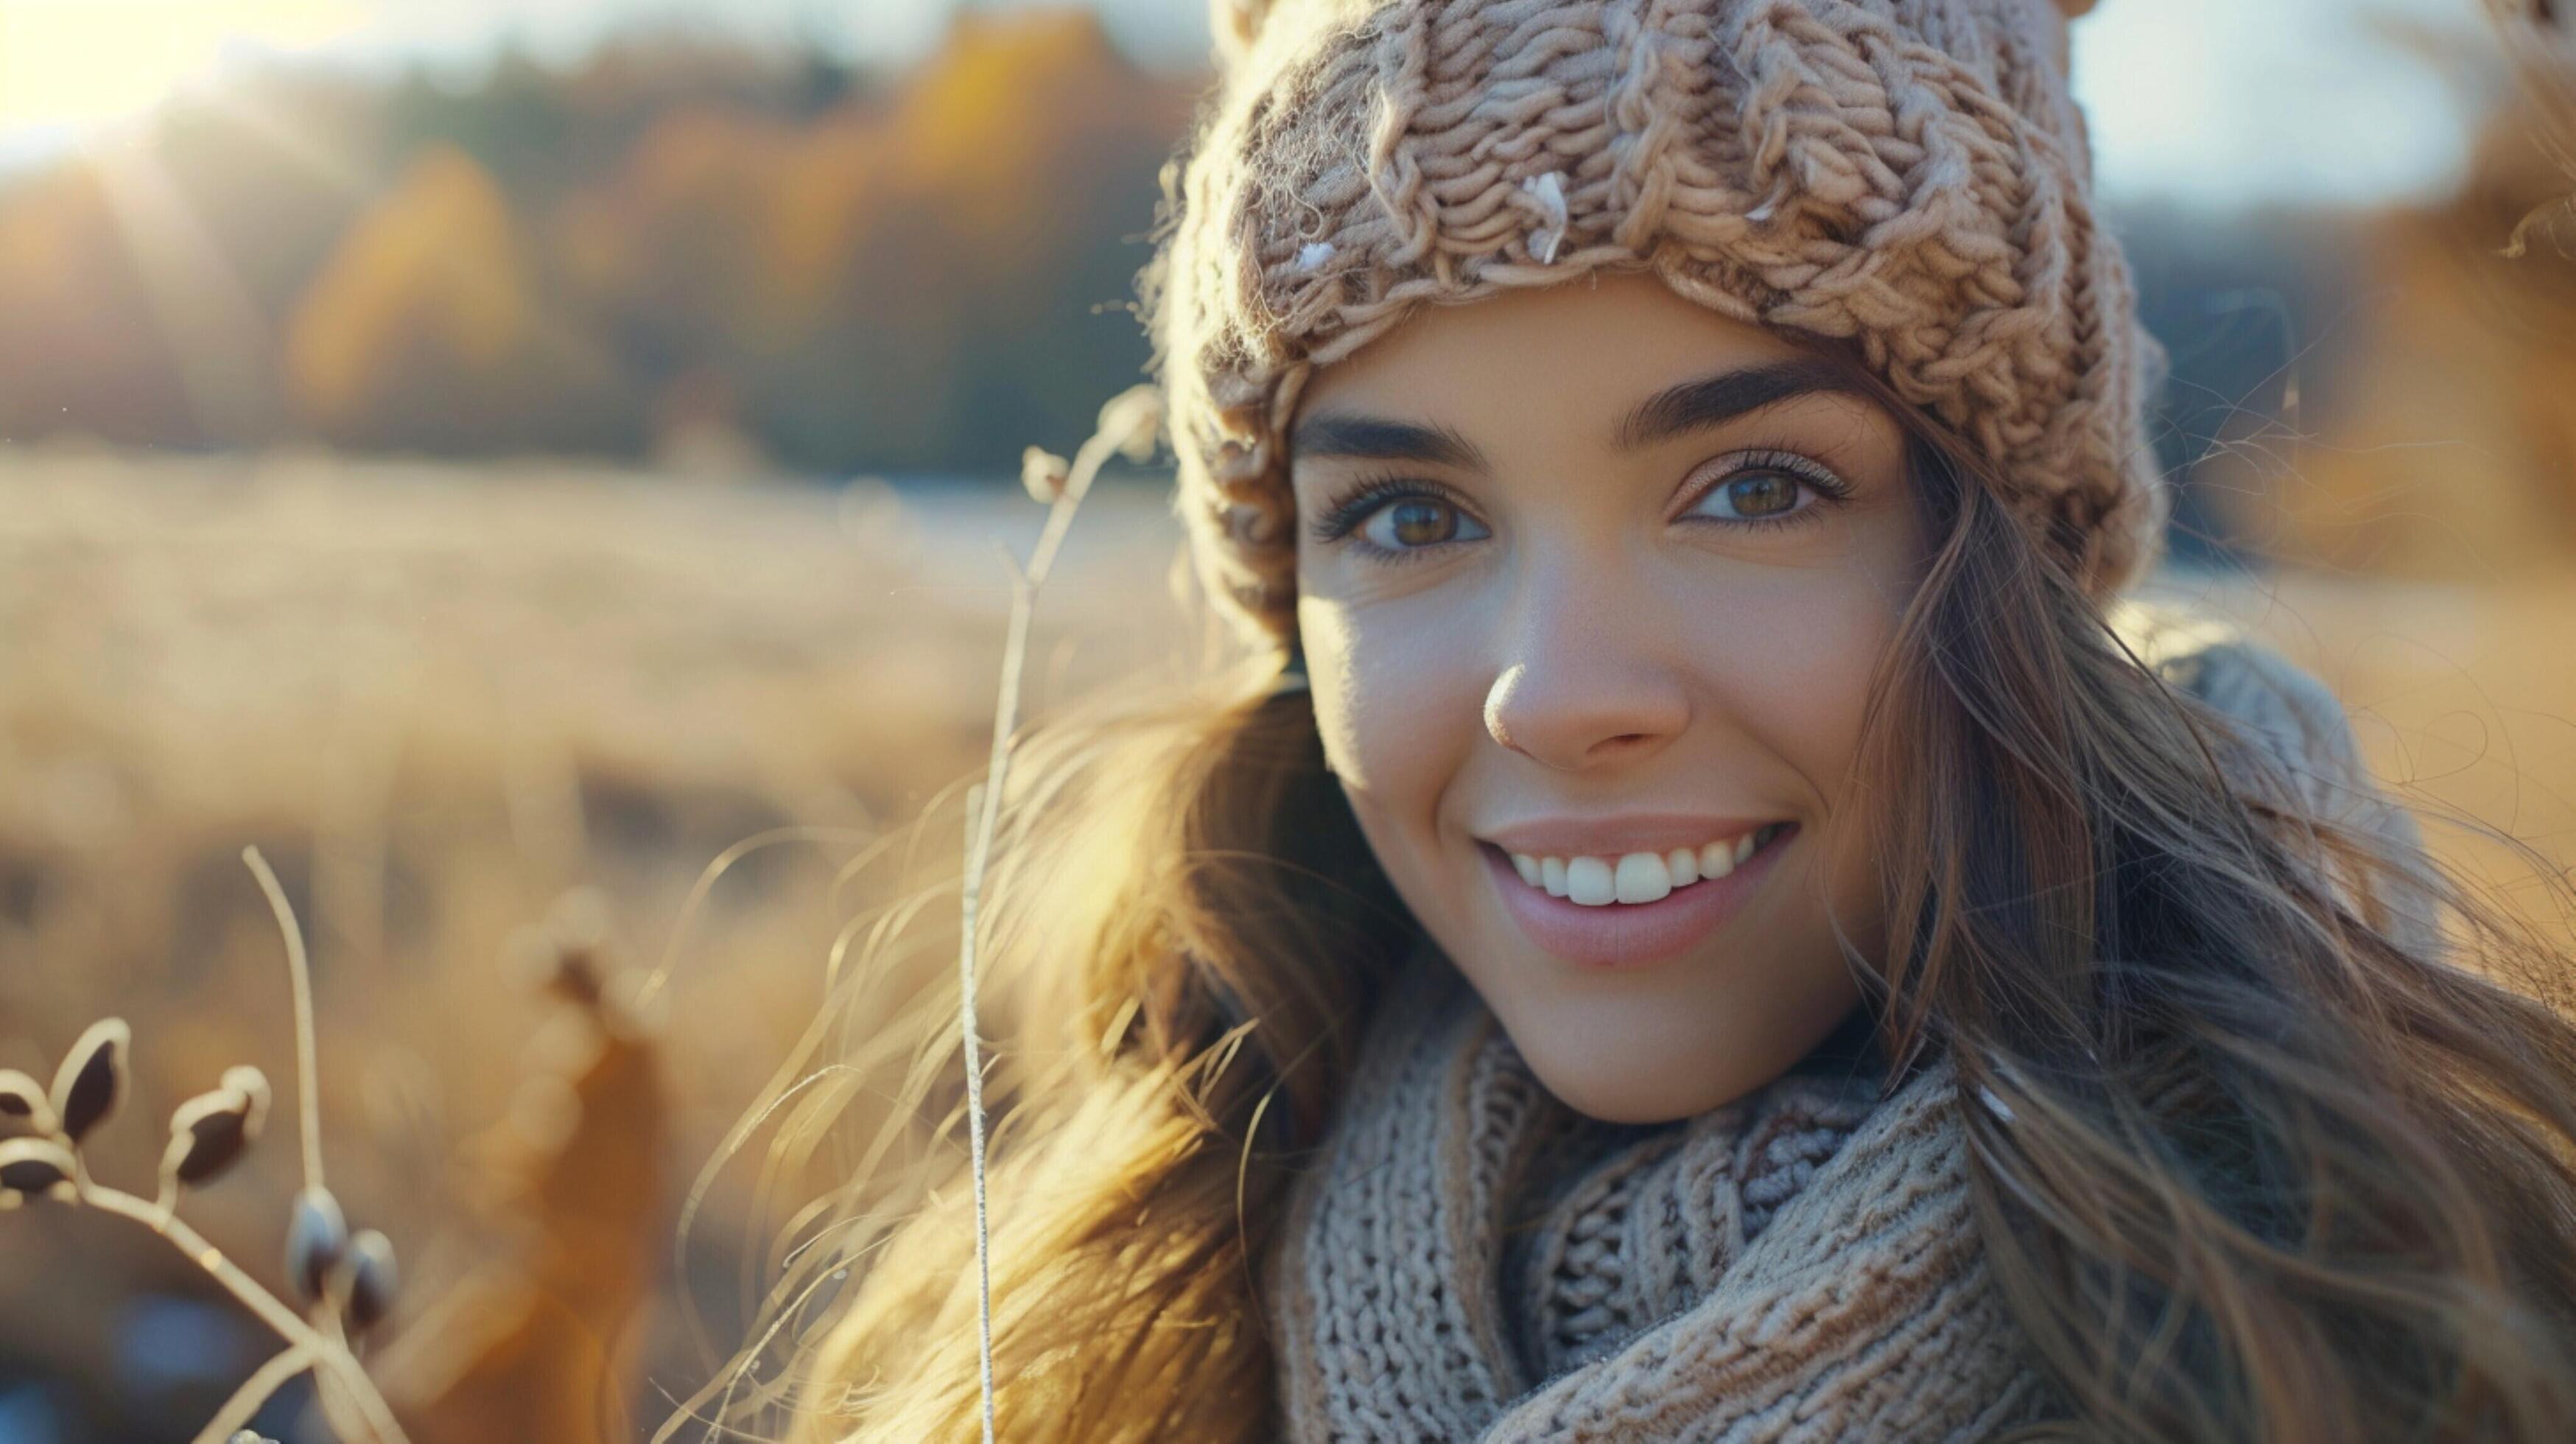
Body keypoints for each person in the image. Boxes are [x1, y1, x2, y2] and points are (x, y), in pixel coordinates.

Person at [751, 1, 2576, 1438]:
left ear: (2011, 555)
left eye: (1756, 488)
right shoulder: (1109, 1330)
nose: (1559, 692)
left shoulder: (2411, 1322)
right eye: (1410, 516)